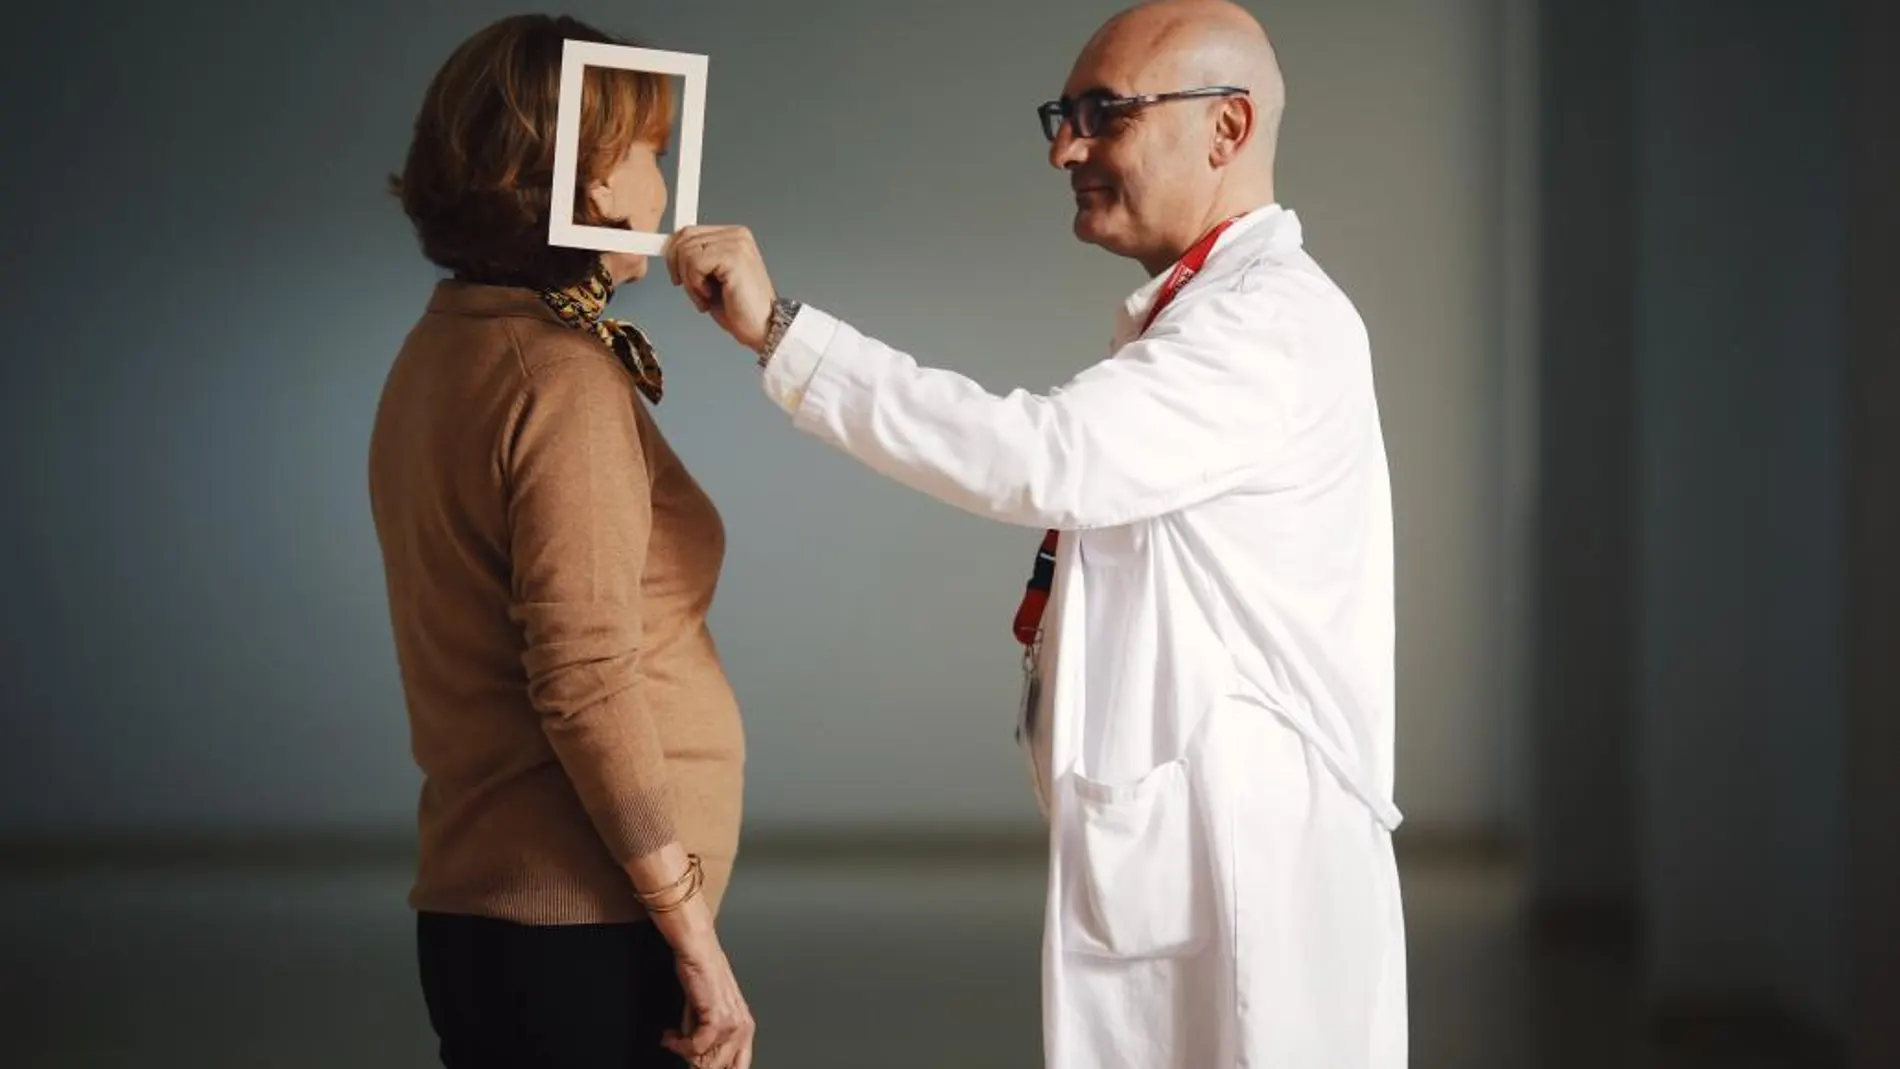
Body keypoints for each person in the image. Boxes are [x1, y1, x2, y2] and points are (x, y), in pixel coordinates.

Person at [663, 0, 1406, 1065]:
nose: (1066, 147)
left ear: (1227, 129)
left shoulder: (1265, 325)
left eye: (1104, 114)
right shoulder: (1205, 314)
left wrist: (783, 333)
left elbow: (1043, 455)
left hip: (1245, 863)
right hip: (1197, 846)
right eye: (1062, 114)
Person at [369, 14, 754, 1069]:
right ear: (582, 181)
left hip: (496, 917)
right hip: (581, 929)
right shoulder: (558, 377)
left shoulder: (447, 344)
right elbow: (583, 676)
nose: (662, 185)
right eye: (646, 153)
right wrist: (695, 938)